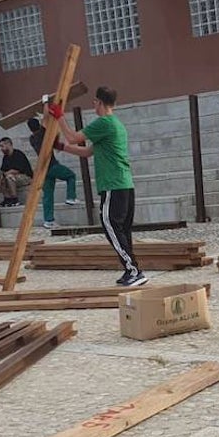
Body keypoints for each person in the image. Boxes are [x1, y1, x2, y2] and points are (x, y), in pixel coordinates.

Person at [55, 86, 146, 287]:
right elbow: (87, 152)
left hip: (113, 185)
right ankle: (130, 270)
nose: (93, 105)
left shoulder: (104, 123)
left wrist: (59, 117)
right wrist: (61, 147)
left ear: (101, 103)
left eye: (95, 102)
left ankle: (134, 270)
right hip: (124, 185)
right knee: (121, 229)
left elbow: (73, 137)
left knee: (110, 226)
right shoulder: (116, 125)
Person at [28, 117, 79, 229]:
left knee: (48, 195)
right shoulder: (42, 133)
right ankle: (70, 197)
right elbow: (52, 128)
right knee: (71, 176)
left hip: (43, 169)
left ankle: (48, 220)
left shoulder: (32, 139)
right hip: (52, 165)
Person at [0, 137, 32, 207]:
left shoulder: (18, 154)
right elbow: (2, 170)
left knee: (10, 176)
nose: (1, 149)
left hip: (25, 177)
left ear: (8, 144)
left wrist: (5, 174)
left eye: (2, 146)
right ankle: (7, 199)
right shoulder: (5, 157)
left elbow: (17, 170)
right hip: (14, 178)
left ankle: (15, 199)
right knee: (0, 179)